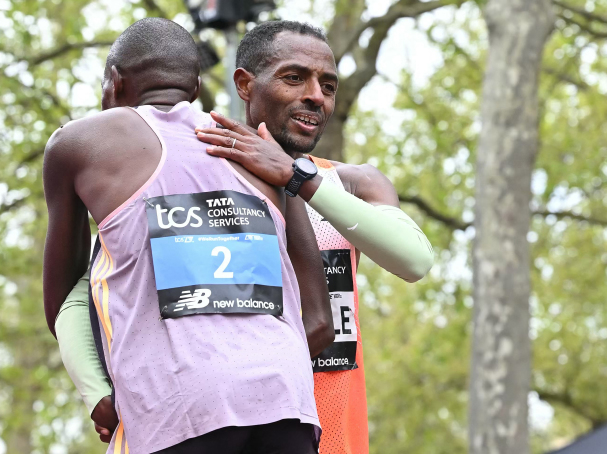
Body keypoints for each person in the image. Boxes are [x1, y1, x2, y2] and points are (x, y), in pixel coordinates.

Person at [60, 20, 434, 454]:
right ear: (245, 84)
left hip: (328, 435)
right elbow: (85, 290)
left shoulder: (352, 184)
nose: (315, 94)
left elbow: (414, 260)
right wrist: (98, 391)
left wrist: (300, 179)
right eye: (295, 78)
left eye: (328, 85)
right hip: (210, 425)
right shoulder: (181, 179)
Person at [44, 18, 332, 454]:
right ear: (195, 87)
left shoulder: (81, 142)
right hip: (287, 404)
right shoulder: (263, 154)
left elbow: (66, 299)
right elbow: (319, 323)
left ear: (115, 84)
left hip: (175, 405)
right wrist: (254, 368)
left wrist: (101, 392)